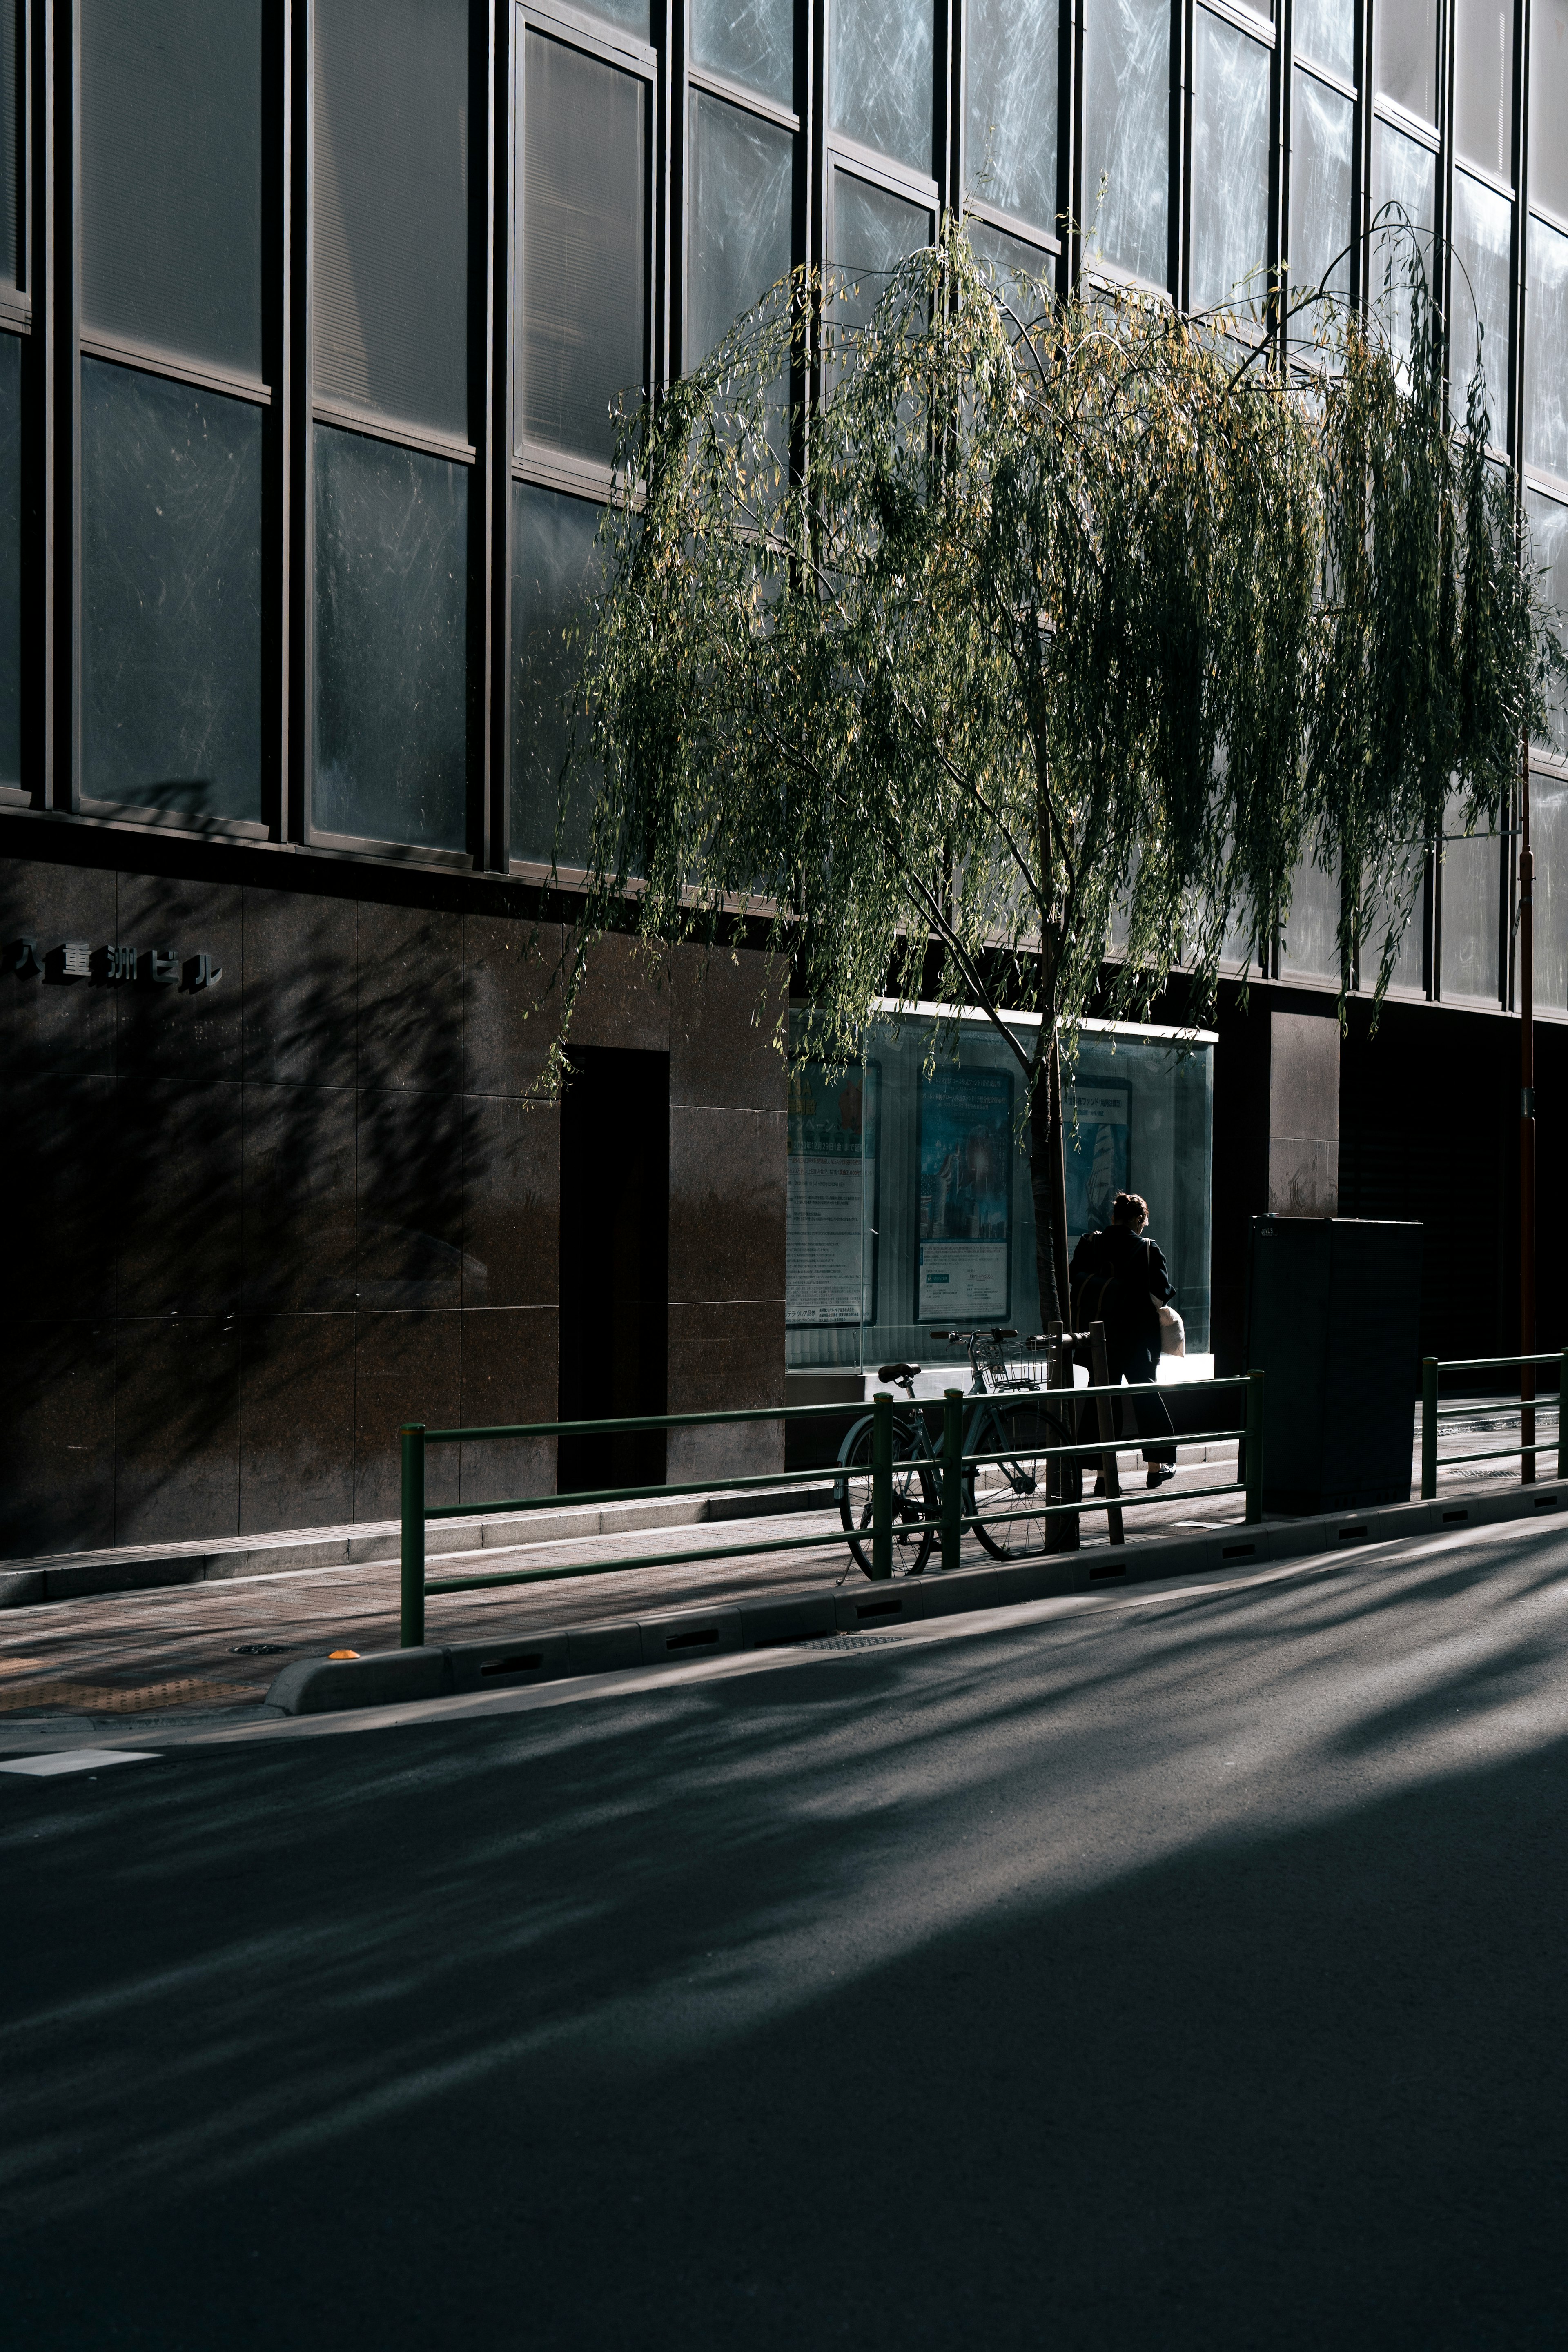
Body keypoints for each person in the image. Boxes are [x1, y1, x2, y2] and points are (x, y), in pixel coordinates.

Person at [1068, 1190, 1178, 1488]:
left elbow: (1074, 1276)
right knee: (1146, 1396)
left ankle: (1105, 1477)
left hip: (1096, 1336)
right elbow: (1161, 1291)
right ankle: (1157, 1466)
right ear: (1139, 1220)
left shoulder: (1090, 1244)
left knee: (1103, 1400)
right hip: (1136, 1338)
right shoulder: (1146, 1248)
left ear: (1113, 1217)